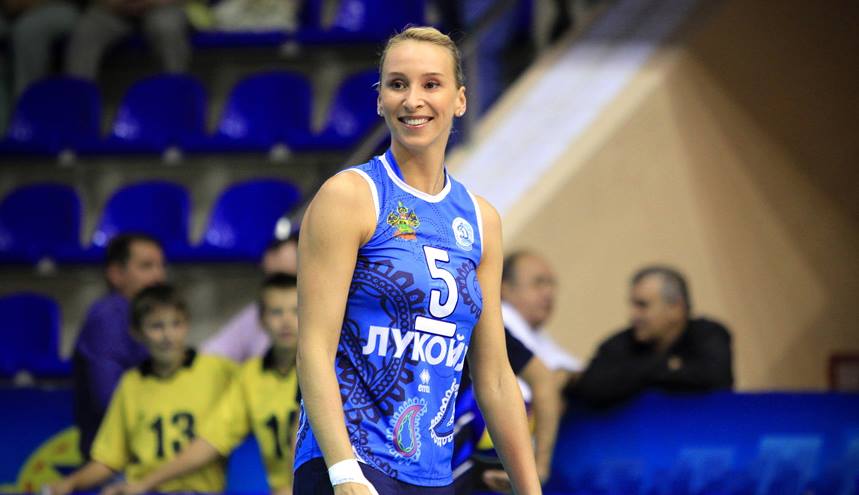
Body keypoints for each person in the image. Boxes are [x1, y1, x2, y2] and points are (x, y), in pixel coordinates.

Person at [294, 26, 541, 495]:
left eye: (431, 84)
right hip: (351, 463)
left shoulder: (481, 220)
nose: (413, 100)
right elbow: (313, 348)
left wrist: (530, 490)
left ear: (460, 99)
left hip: (433, 475)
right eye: (397, 84)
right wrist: (344, 473)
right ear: (379, 100)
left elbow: (493, 376)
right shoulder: (350, 195)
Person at [101, 273, 301, 495]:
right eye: (276, 312)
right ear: (260, 319)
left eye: (296, 311)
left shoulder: (325, 366)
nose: (286, 321)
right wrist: (143, 484)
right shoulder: (250, 376)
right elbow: (212, 440)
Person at [47, 284, 236, 494]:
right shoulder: (131, 383)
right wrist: (70, 483)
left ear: (187, 324)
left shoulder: (218, 371)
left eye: (176, 324)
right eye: (156, 326)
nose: (168, 335)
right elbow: (109, 459)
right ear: (136, 332)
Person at [569, 266, 734, 406]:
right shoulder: (620, 342)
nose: (633, 315)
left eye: (642, 305)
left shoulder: (709, 334)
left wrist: (636, 374)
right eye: (633, 305)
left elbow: (715, 378)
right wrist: (667, 366)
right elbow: (590, 387)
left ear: (676, 308)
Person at [72, 233, 166, 460]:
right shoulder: (108, 318)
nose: (159, 276)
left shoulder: (146, 316)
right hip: (113, 461)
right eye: (146, 266)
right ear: (116, 274)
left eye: (161, 266)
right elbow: (110, 400)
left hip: (141, 452)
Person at [202, 234, 298, 362]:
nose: (280, 290)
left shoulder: (321, 312)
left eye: (289, 280)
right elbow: (211, 353)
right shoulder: (256, 314)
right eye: (272, 281)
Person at [501, 250, 582, 386]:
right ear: (505, 288)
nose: (548, 292)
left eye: (551, 284)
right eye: (538, 283)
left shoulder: (537, 332)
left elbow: (566, 364)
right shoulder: (501, 323)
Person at [64, 0, 189, 80]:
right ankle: (77, 99)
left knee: (167, 27)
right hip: (114, 10)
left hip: (162, 7)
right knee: (87, 29)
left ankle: (176, 90)